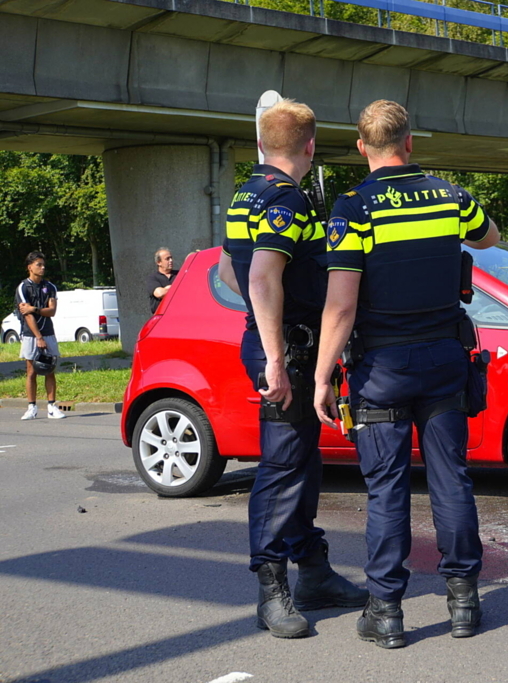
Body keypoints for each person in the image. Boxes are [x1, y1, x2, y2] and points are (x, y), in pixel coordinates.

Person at [313, 99, 500, 649]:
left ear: (361, 147)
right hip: (444, 361)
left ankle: (387, 612)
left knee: (387, 490)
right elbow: (490, 237)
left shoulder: (353, 209)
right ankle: (464, 601)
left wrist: (322, 377)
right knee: (451, 480)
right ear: (410, 142)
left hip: (382, 369)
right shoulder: (451, 197)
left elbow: (341, 305)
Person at [218, 98, 368, 639]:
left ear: (262, 143)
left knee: (302, 464)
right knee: (282, 469)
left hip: (281, 347)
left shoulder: (246, 193)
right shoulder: (288, 199)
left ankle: (314, 572)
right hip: (285, 353)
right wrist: (277, 356)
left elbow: (228, 270)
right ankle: (271, 588)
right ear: (310, 146)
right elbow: (260, 277)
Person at [15, 252, 65, 420]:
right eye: (39, 265)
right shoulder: (23, 287)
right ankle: (32, 407)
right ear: (30, 267)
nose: (42, 268)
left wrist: (35, 309)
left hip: (48, 332)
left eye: (43, 265)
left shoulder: (50, 287)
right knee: (31, 371)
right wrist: (38, 337)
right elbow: (26, 314)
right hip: (31, 335)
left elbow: (52, 311)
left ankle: (52, 406)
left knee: (49, 369)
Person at [147, 248, 178, 315]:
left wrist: (166, 289)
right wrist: (178, 286)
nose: (171, 260)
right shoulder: (153, 277)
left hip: (179, 314)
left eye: (171, 258)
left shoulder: (179, 274)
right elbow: (160, 293)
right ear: (159, 262)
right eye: (167, 259)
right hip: (162, 316)